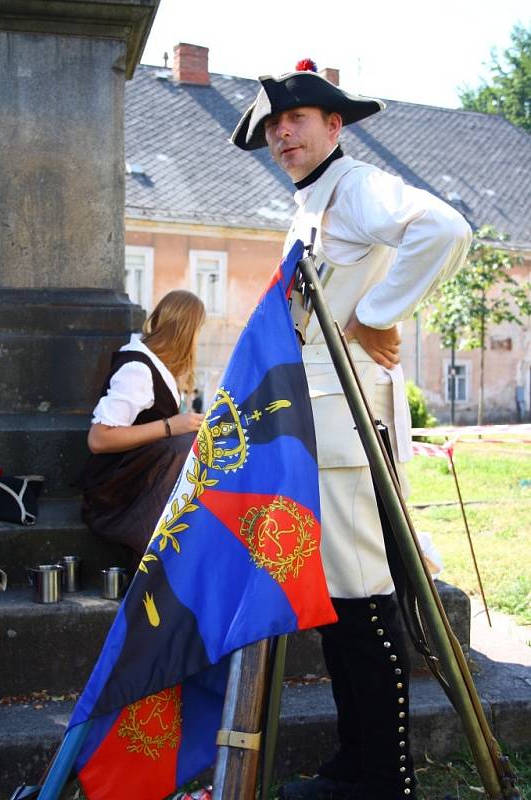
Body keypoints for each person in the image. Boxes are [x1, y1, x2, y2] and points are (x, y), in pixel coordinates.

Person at [231, 62, 472, 800]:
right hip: (314, 430)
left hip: (346, 434)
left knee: (363, 602)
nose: (282, 133)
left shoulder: (358, 187)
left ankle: (383, 776)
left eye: (295, 119)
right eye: (274, 125)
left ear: (334, 125)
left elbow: (445, 228)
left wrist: (377, 314)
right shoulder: (310, 204)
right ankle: (356, 762)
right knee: (337, 604)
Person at [77, 290, 205, 562]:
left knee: (192, 443)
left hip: (132, 482)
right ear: (185, 333)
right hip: (112, 497)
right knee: (183, 447)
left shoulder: (152, 365)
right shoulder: (138, 369)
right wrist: (171, 426)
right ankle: (154, 556)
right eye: (197, 332)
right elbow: (98, 439)